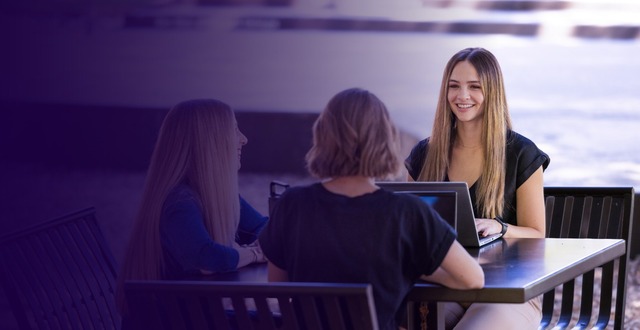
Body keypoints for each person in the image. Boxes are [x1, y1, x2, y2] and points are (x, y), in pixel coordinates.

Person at [259, 88, 484, 329]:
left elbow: (278, 286)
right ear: (385, 140)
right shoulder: (407, 213)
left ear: (323, 135)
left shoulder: (292, 204)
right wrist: (414, 270)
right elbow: (473, 279)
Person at [405, 47, 550, 329]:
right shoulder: (424, 154)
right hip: (444, 288)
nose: (462, 96)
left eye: (474, 87)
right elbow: (409, 227)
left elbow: (537, 234)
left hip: (509, 294)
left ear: (491, 92)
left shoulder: (521, 153)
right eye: (454, 86)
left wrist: (502, 227)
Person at [115, 99, 268, 315]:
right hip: (171, 321)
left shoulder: (214, 193)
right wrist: (254, 253)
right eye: (233, 130)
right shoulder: (179, 202)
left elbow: (266, 227)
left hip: (200, 313)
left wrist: (250, 249)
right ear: (209, 142)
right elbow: (207, 259)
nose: (243, 139)